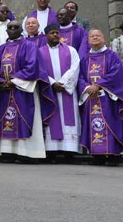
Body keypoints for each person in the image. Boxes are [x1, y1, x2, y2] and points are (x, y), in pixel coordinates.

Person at [0, 20, 57, 162]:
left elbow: (32, 67)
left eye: (16, 27)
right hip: (5, 90)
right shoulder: (2, 48)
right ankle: (7, 152)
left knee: (26, 117)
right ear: (7, 31)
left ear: (21, 29)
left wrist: (14, 80)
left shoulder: (29, 46)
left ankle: (29, 153)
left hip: (24, 89)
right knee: (6, 118)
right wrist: (0, 82)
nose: (13, 29)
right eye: (10, 27)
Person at [78, 29, 123, 165]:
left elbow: (116, 73)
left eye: (98, 35)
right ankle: (98, 155)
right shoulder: (85, 58)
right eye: (92, 36)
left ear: (103, 38)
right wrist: (87, 87)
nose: (95, 38)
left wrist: (98, 85)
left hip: (108, 96)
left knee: (111, 123)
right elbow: (79, 77)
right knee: (93, 124)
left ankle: (113, 155)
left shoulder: (112, 56)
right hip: (91, 97)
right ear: (88, 40)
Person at [40, 24, 81, 160]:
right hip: (49, 91)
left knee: (69, 118)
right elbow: (40, 70)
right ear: (46, 35)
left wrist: (62, 83)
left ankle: (69, 150)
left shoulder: (71, 50)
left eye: (57, 33)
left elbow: (75, 68)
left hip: (66, 91)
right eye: (52, 33)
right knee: (52, 117)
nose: (56, 35)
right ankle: (52, 151)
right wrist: (52, 83)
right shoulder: (39, 52)